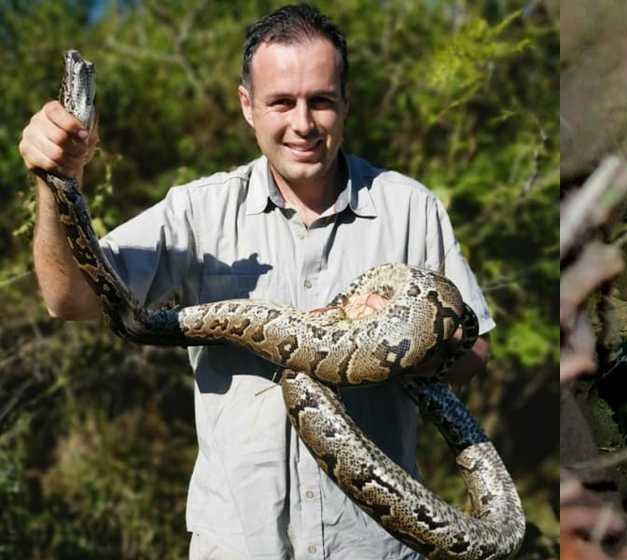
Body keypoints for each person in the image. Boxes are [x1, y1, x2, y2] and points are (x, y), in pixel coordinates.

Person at [18, 4, 493, 559]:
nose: (303, 123)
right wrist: (57, 183)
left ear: (346, 101)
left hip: (375, 548)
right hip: (239, 544)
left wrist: (394, 342)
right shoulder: (197, 211)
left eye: (320, 100)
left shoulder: (410, 207)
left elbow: (475, 353)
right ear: (247, 106)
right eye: (280, 103)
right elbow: (68, 297)